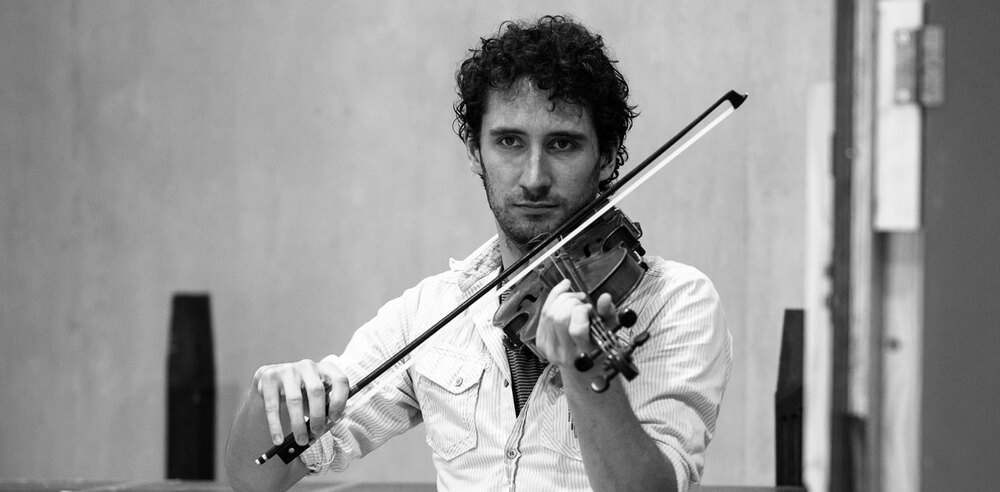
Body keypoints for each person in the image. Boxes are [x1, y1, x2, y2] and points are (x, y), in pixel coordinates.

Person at [225, 15, 732, 492]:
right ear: (476, 152)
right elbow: (255, 478)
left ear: (606, 157)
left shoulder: (676, 301)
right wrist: (268, 397)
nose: (533, 177)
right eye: (510, 141)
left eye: (562, 144)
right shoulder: (432, 311)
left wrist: (586, 373)